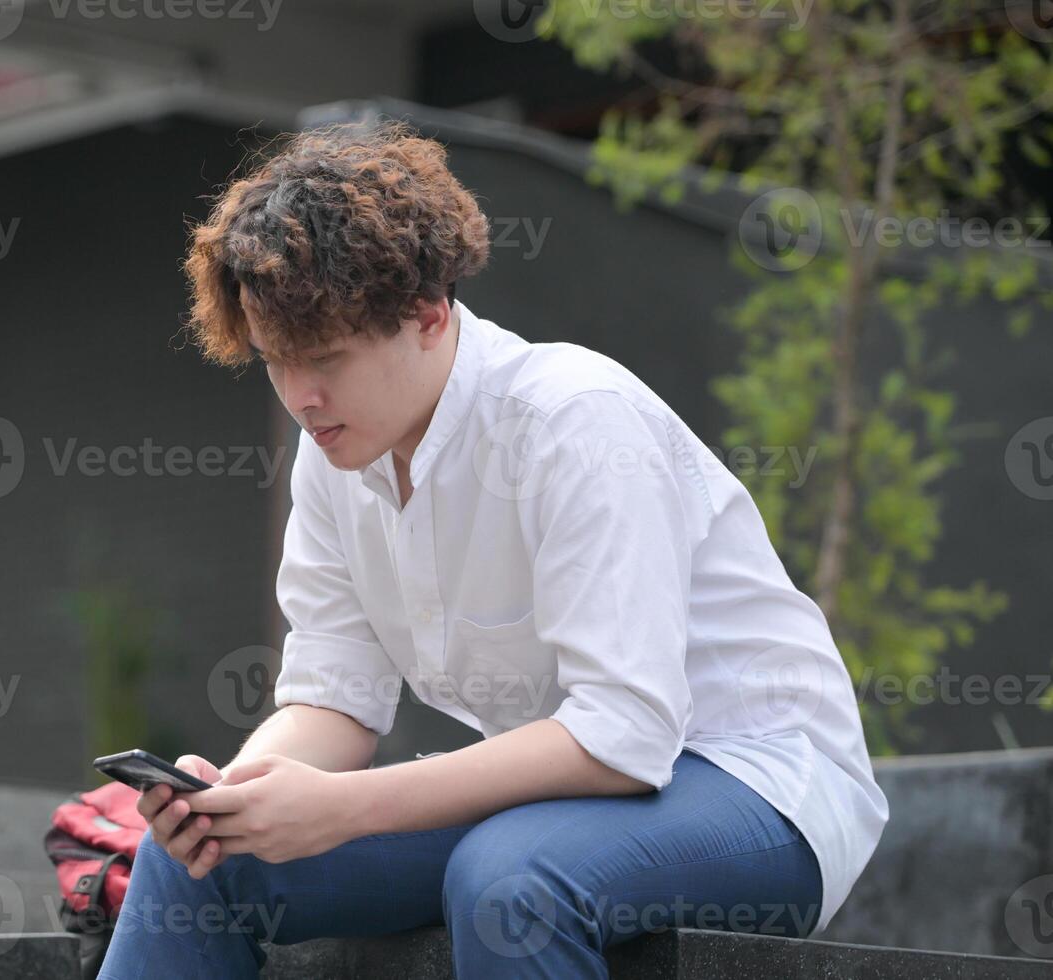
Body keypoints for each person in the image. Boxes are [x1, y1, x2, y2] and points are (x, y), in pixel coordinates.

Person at [96, 120, 888, 979]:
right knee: (197, 866)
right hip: (558, 800)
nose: (301, 397)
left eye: (325, 358)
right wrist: (233, 803)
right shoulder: (336, 454)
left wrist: (345, 806)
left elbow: (624, 732)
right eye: (276, 362)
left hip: (761, 787)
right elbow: (335, 701)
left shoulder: (575, 422)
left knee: (512, 881)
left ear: (429, 316)